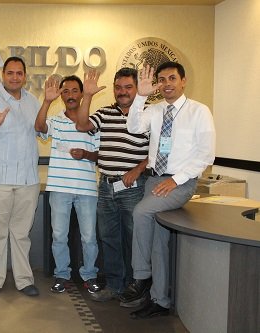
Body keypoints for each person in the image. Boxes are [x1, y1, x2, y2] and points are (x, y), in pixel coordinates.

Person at [120, 62, 215, 319]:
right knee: (158, 243)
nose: (167, 84)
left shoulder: (199, 111)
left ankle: (140, 277)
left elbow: (206, 154)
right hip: (154, 180)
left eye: (172, 78)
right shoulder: (155, 109)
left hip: (180, 183)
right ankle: (160, 300)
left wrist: (177, 180)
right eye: (161, 80)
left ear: (183, 81)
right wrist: (141, 95)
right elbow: (134, 127)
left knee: (140, 213)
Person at [75, 68, 150, 302]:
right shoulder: (106, 112)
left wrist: (137, 170)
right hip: (106, 187)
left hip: (134, 187)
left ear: (137, 88)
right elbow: (82, 125)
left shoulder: (149, 115)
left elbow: (157, 151)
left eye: (128, 87)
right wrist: (86, 96)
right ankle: (116, 286)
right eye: (118, 87)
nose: (122, 92)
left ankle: (135, 288)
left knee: (133, 240)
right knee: (108, 238)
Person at [0, 56, 41, 297]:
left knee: (22, 232)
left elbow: (42, 133)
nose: (15, 77)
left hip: (27, 178)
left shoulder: (33, 102)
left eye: (19, 73)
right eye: (10, 73)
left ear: (25, 76)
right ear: (3, 75)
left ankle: (25, 280)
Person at [34, 75, 102, 294]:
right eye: (66, 92)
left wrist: (86, 154)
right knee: (58, 236)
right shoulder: (55, 120)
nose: (70, 95)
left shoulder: (92, 123)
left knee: (89, 237)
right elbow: (39, 126)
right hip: (59, 188)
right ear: (61, 95)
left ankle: (90, 275)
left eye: (74, 91)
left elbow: (101, 156)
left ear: (82, 94)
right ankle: (61, 275)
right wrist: (46, 101)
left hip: (87, 189)